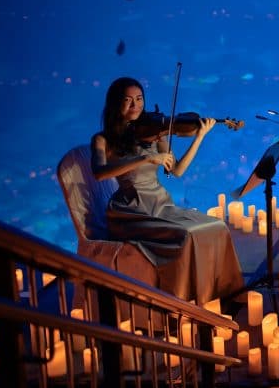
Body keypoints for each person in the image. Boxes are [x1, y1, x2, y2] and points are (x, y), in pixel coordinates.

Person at [90, 76, 245, 306]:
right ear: (115, 104)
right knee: (186, 235)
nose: (135, 106)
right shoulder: (102, 139)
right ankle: (183, 302)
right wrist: (145, 157)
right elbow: (99, 172)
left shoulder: (155, 132)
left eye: (140, 99)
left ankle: (223, 295)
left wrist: (199, 137)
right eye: (128, 100)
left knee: (216, 226)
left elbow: (179, 170)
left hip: (160, 203)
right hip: (130, 211)